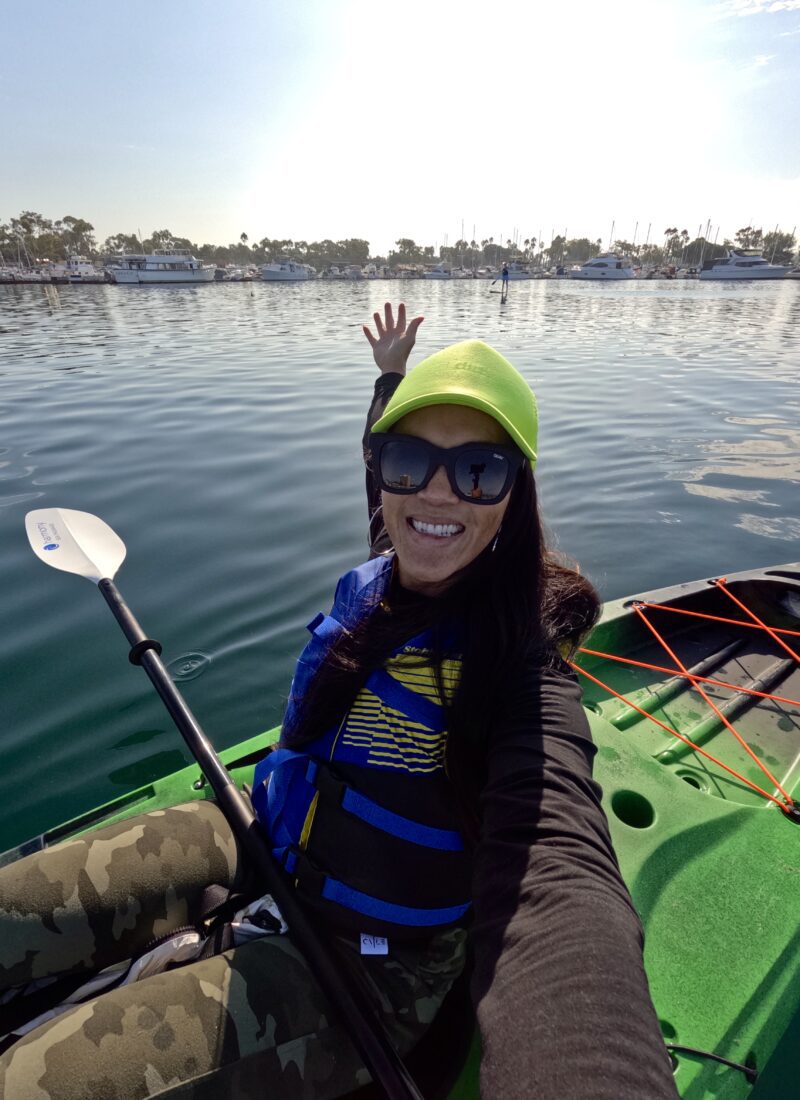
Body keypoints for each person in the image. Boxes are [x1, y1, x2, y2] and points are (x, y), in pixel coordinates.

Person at [0, 305, 679, 1100]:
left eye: (479, 471)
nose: (438, 494)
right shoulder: (397, 558)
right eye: (408, 461)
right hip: (264, 836)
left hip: (374, 967)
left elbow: (563, 881)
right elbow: (406, 491)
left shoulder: (523, 681)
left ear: (513, 495)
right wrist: (391, 378)